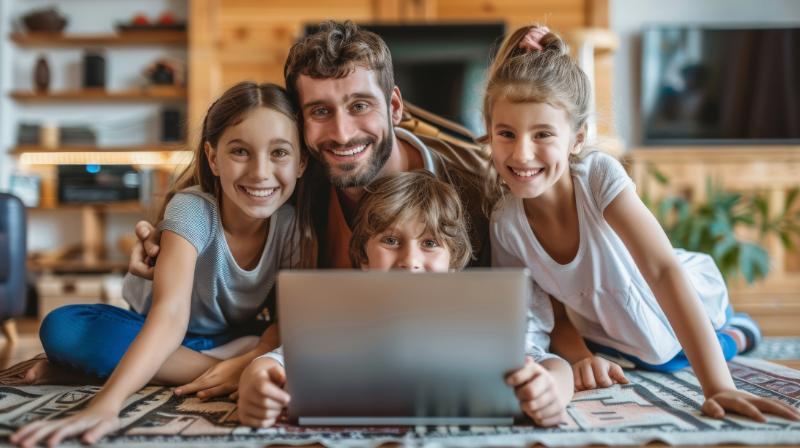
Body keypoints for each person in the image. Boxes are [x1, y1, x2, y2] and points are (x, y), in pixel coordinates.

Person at [484, 25, 800, 422]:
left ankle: (738, 330)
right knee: (645, 362)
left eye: (543, 133)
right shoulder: (505, 223)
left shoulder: (598, 177)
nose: (522, 153)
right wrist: (580, 357)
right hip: (615, 333)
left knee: (679, 354)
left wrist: (719, 387)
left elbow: (663, 270)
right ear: (489, 134)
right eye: (506, 134)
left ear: (577, 139)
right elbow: (544, 317)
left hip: (677, 303)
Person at [10, 82, 310, 447]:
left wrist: (257, 351)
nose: (260, 172)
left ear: (301, 163)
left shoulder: (293, 227)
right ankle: (227, 373)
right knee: (64, 327)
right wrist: (106, 406)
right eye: (240, 151)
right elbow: (168, 315)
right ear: (213, 158)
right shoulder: (192, 209)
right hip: (158, 331)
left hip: (232, 339)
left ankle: (103, 371)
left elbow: (285, 320)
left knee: (277, 339)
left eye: (279, 152)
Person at [129, 20, 491, 278]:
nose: (342, 133)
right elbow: (209, 192)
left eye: (360, 106)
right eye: (320, 111)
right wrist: (162, 241)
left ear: (394, 107)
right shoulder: (296, 170)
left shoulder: (476, 185)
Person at [236, 170, 574, 428]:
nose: (410, 261)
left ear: (452, 263)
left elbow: (550, 364)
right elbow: (275, 362)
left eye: (429, 244)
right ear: (364, 259)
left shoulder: (475, 317)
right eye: (391, 241)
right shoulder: (343, 316)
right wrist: (256, 380)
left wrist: (552, 391)